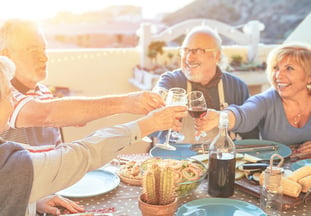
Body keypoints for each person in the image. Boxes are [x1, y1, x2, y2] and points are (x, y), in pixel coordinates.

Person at [0, 56, 187, 216]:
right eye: (9, 95)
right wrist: (147, 125)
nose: (14, 101)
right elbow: (82, 155)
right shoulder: (7, 164)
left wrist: (30, 199)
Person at [0, 19, 165, 146]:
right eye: (34, 50)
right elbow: (47, 114)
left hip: (52, 188)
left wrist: (74, 116)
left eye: (44, 49)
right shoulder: (5, 95)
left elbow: (54, 121)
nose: (44, 57)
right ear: (7, 55)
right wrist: (128, 102)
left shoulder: (42, 91)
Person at [195, 43, 311, 156]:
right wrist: (220, 117)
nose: (278, 75)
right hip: (276, 169)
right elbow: (244, 114)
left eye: (289, 68)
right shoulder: (265, 100)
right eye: (276, 68)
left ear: (309, 77)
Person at [152, 26, 258, 144]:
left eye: (197, 51)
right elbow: (157, 100)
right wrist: (157, 102)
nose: (189, 57)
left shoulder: (236, 86)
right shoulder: (171, 81)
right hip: (176, 161)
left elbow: (250, 133)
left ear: (216, 56)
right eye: (185, 50)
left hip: (220, 159)